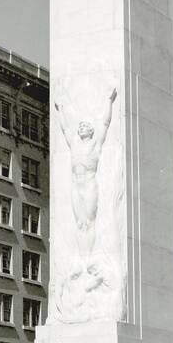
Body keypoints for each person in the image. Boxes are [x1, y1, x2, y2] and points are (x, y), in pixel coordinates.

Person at [54, 85, 117, 255]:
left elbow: (105, 123)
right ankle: (82, 257)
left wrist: (109, 99)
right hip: (76, 185)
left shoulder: (96, 144)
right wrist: (60, 107)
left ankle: (89, 255)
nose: (81, 127)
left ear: (91, 130)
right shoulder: (74, 144)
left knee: (89, 222)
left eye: (85, 125)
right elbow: (65, 128)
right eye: (80, 125)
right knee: (79, 223)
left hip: (89, 184)